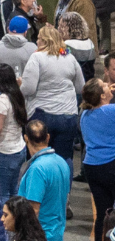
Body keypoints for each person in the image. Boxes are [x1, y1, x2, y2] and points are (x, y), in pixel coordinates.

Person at [21, 26, 85, 176]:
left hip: (42, 115)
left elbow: (29, 88)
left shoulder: (37, 58)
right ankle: (64, 188)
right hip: (68, 115)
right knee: (65, 158)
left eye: (39, 38)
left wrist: (20, 85)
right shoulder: (69, 58)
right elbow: (80, 87)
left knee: (38, 155)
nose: (37, 41)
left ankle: (40, 186)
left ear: (45, 40)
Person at [0, 64, 30, 202]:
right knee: (14, 189)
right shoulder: (17, 95)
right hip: (18, 149)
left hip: (3, 152)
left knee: (3, 192)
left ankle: (5, 216)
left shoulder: (2, 100)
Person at [83, 79, 115, 241]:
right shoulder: (110, 111)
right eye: (105, 85)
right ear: (102, 95)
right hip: (111, 165)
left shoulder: (85, 115)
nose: (108, 85)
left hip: (92, 166)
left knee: (102, 214)